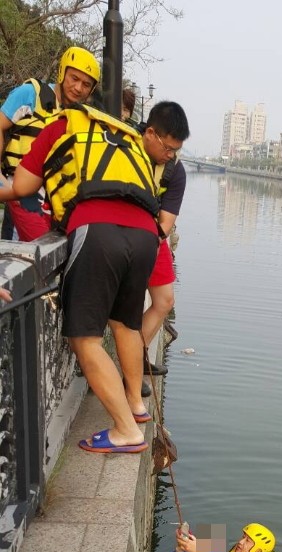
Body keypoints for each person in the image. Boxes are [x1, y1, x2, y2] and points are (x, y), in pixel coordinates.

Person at [0, 101, 176, 453]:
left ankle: (125, 430)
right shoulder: (126, 137)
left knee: (83, 338)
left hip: (98, 228)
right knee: (124, 323)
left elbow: (21, 186)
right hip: (146, 234)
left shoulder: (61, 125)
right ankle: (136, 407)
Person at [0, 46, 99, 241]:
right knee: (26, 254)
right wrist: (5, 184)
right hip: (18, 191)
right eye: (74, 78)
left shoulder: (81, 118)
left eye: (86, 84)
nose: (78, 88)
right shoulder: (30, 94)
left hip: (54, 203)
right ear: (62, 72)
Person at [138, 102, 189, 380]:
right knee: (123, 308)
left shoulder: (175, 172)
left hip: (152, 237)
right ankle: (130, 371)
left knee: (164, 300)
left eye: (175, 150)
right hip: (117, 236)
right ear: (149, 133)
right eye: (166, 148)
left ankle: (136, 358)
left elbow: (165, 224)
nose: (169, 155)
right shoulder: (125, 151)